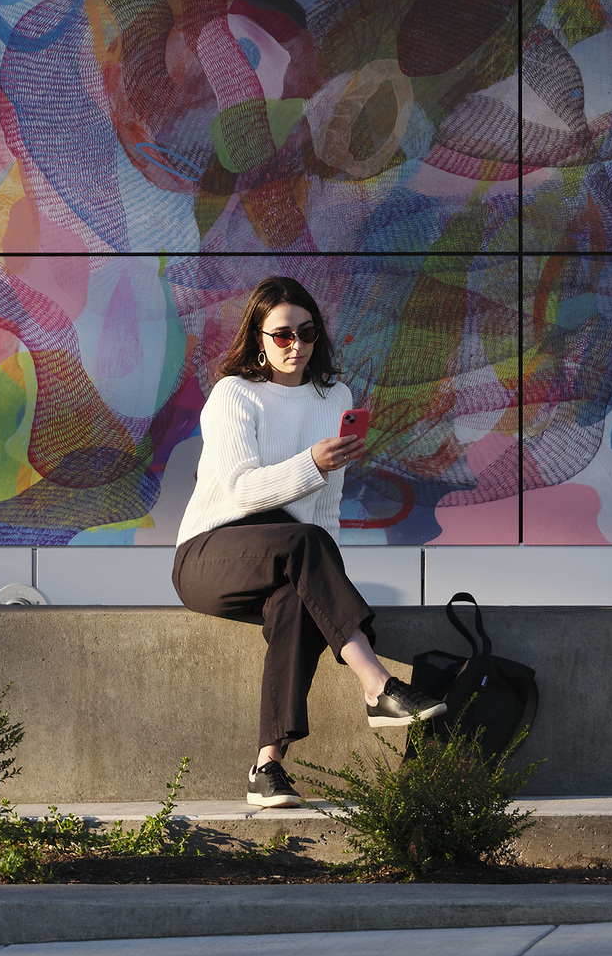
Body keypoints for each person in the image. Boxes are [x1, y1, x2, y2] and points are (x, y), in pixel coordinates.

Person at [172, 275, 449, 808]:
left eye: (306, 332)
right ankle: (376, 684)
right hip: (210, 554)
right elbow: (238, 489)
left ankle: (266, 767)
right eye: (281, 335)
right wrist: (312, 464)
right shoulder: (235, 394)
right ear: (258, 338)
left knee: (300, 595)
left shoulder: (334, 397)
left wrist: (326, 586)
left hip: (290, 555)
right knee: (303, 544)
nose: (295, 345)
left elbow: (323, 514)